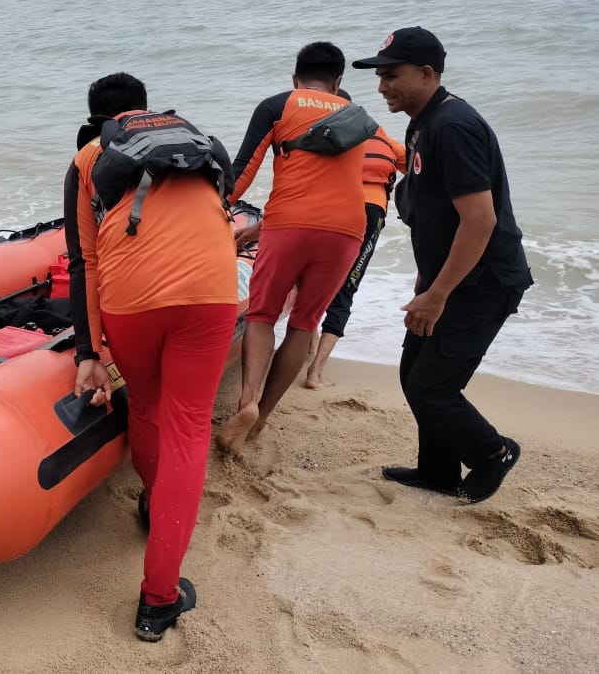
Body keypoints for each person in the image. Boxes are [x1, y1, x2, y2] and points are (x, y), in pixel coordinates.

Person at [64, 72, 239, 642]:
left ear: (100, 122)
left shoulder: (89, 156)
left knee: (145, 404)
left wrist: (87, 352)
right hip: (212, 292)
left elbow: (83, 260)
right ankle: (159, 601)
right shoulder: (192, 141)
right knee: (189, 429)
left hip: (131, 301)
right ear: (146, 111)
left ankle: (150, 500)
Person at [352, 27, 531, 503]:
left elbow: (480, 220)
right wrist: (426, 278)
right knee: (413, 374)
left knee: (433, 388)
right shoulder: (422, 123)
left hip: (483, 281)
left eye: (392, 75)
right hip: (448, 277)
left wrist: (438, 294)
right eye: (379, 76)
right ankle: (437, 471)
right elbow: (434, 210)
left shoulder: (452, 127)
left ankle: (493, 453)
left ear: (427, 73)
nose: (382, 86)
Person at [216, 42, 367, 456]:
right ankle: (261, 420)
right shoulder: (356, 114)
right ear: (338, 81)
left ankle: (248, 402)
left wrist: (214, 210)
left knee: (262, 315)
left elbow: (242, 171)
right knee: (304, 323)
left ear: (295, 78)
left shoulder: (279, 105)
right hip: (348, 231)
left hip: (290, 223)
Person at [304, 123, 407, 388]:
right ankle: (315, 373)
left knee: (313, 277)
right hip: (372, 210)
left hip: (334, 207)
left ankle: (310, 347)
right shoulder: (384, 138)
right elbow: (416, 168)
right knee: (347, 286)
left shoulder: (334, 136)